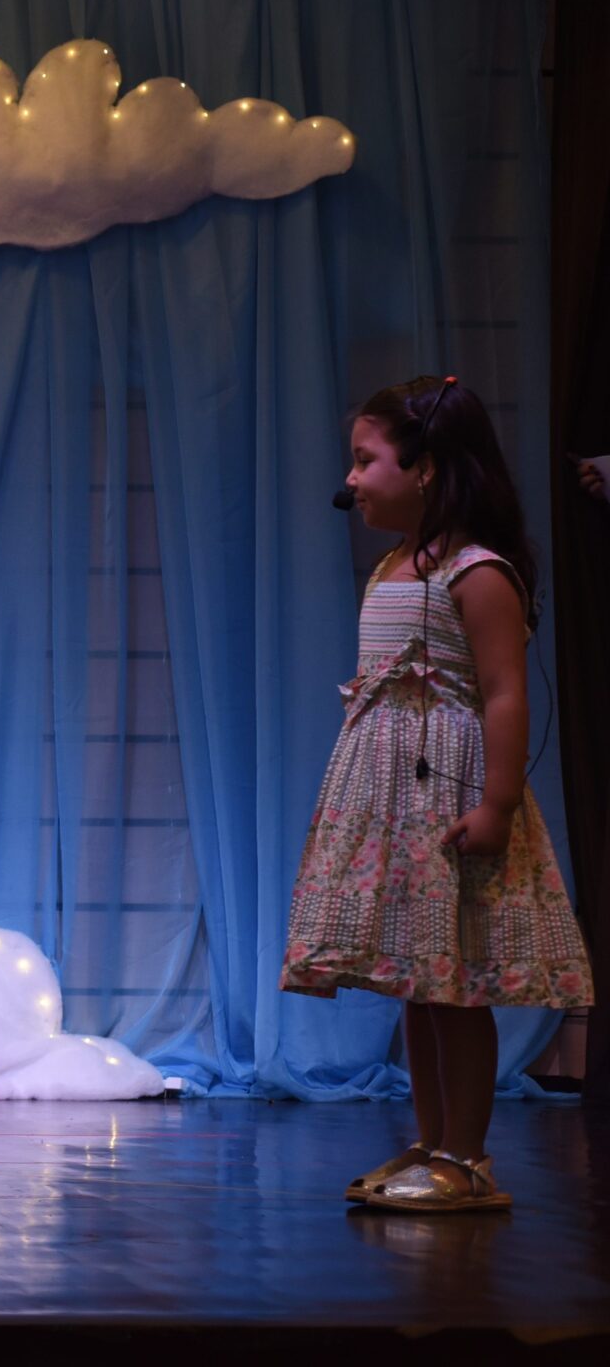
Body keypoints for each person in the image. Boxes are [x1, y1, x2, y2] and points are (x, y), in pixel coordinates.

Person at [285, 376, 594, 1210]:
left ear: (426, 467)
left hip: (449, 800)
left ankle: (467, 1156)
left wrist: (496, 804)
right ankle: (430, 1141)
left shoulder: (477, 572)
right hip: (393, 804)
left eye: (366, 459)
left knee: (453, 985)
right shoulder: (394, 565)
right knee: (418, 985)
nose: (352, 478)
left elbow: (503, 693)